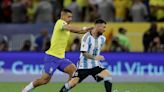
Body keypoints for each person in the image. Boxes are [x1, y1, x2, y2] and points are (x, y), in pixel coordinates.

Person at [22, 9, 93, 92]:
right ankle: (25, 90)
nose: (71, 19)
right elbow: (73, 29)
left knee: (75, 73)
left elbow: (79, 31)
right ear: (62, 16)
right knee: (44, 80)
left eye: (71, 17)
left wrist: (90, 31)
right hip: (52, 57)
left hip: (61, 58)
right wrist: (85, 28)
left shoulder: (66, 27)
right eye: (69, 17)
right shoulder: (60, 22)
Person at [59, 19, 112, 92]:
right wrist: (95, 57)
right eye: (103, 27)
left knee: (107, 75)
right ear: (97, 26)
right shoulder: (87, 37)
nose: (104, 30)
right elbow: (84, 53)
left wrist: (96, 58)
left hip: (95, 65)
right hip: (84, 65)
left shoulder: (103, 38)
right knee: (72, 83)